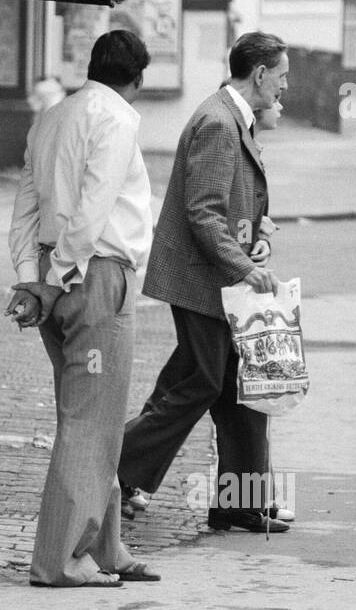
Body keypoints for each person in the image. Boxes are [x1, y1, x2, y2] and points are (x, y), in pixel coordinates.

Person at [118, 32, 290, 535]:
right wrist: (246, 268)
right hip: (202, 281)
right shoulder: (218, 122)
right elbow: (204, 213)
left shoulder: (231, 116)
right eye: (281, 75)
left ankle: (241, 504)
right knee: (203, 383)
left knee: (242, 390)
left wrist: (258, 240)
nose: (285, 86)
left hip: (218, 277)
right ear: (259, 74)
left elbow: (231, 208)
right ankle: (115, 469)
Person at [7, 30, 160, 588]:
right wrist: (53, 280)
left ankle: (106, 547)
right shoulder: (117, 117)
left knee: (91, 419)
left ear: (92, 65)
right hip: (92, 277)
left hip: (56, 273)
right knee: (90, 424)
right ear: (138, 79)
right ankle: (62, 559)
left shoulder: (50, 117)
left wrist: (30, 277)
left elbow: (26, 206)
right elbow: (93, 211)